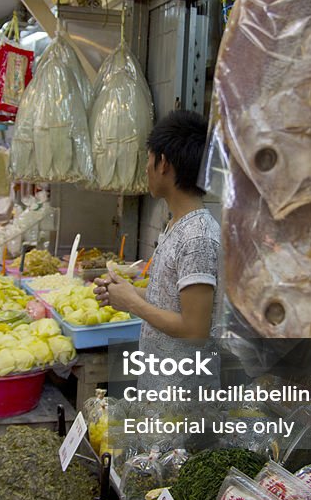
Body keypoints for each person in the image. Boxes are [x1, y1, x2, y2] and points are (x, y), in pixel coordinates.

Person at [95, 110, 221, 359]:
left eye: (148, 158)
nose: (145, 168)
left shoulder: (198, 236)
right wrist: (124, 292)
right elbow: (169, 301)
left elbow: (195, 331)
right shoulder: (177, 224)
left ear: (163, 163)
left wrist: (132, 303)